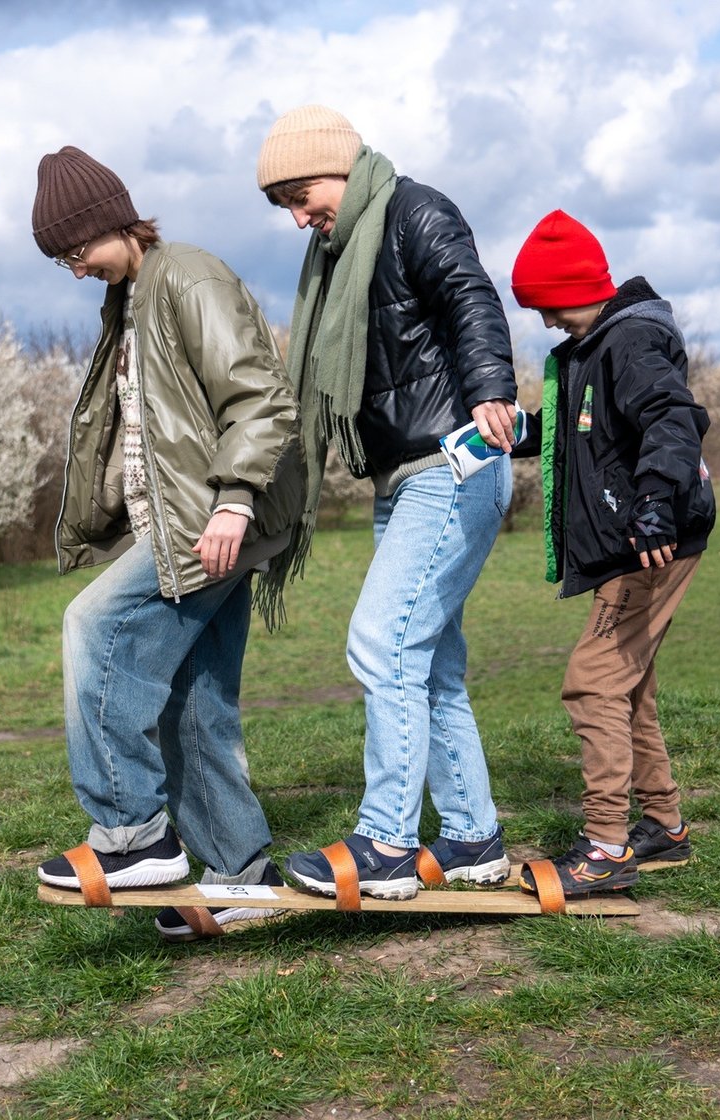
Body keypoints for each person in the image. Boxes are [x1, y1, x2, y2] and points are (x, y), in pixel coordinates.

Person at [29, 146, 305, 941]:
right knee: (192, 697)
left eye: (78, 249)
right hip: (189, 524)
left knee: (94, 625)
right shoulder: (128, 302)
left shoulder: (187, 276)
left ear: (114, 221)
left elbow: (259, 397)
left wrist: (234, 501)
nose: (76, 268)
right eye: (62, 261)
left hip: (215, 522)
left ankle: (131, 835)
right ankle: (241, 875)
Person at [256, 105, 518, 901]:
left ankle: (387, 844)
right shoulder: (341, 253)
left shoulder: (414, 213)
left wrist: (492, 387)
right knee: (429, 663)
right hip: (399, 477)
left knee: (383, 644)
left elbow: (471, 298)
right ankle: (471, 836)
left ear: (337, 166)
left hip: (452, 464)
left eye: (301, 197)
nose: (299, 218)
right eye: (286, 206)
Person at [506, 210, 716, 899]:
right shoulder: (593, 348)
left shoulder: (629, 341)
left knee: (593, 681)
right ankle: (664, 827)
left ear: (577, 288)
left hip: (650, 539)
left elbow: (672, 417)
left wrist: (654, 501)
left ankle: (605, 849)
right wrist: (519, 433)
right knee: (629, 685)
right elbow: (584, 435)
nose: (545, 321)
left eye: (548, 305)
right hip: (640, 534)